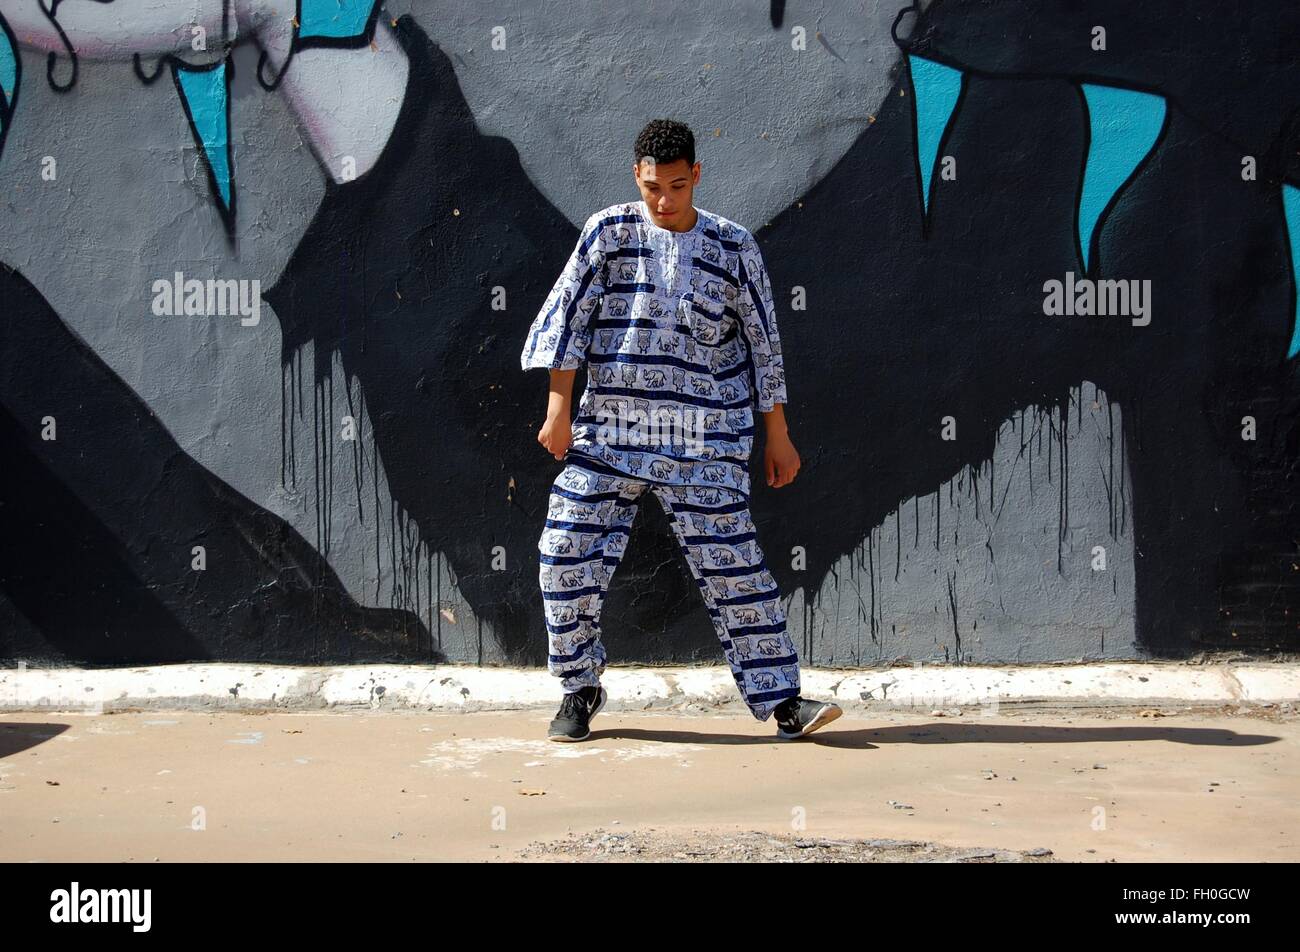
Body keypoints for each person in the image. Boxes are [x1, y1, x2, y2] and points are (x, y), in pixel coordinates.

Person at [521, 118, 842, 742]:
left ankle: (784, 705)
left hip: (705, 434)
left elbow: (763, 346)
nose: (663, 202)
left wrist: (777, 434)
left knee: (735, 566)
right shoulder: (607, 234)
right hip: (611, 430)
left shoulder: (733, 248)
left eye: (675, 185)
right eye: (651, 188)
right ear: (635, 178)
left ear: (697, 175)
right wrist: (558, 407)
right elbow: (570, 318)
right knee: (563, 553)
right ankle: (578, 689)